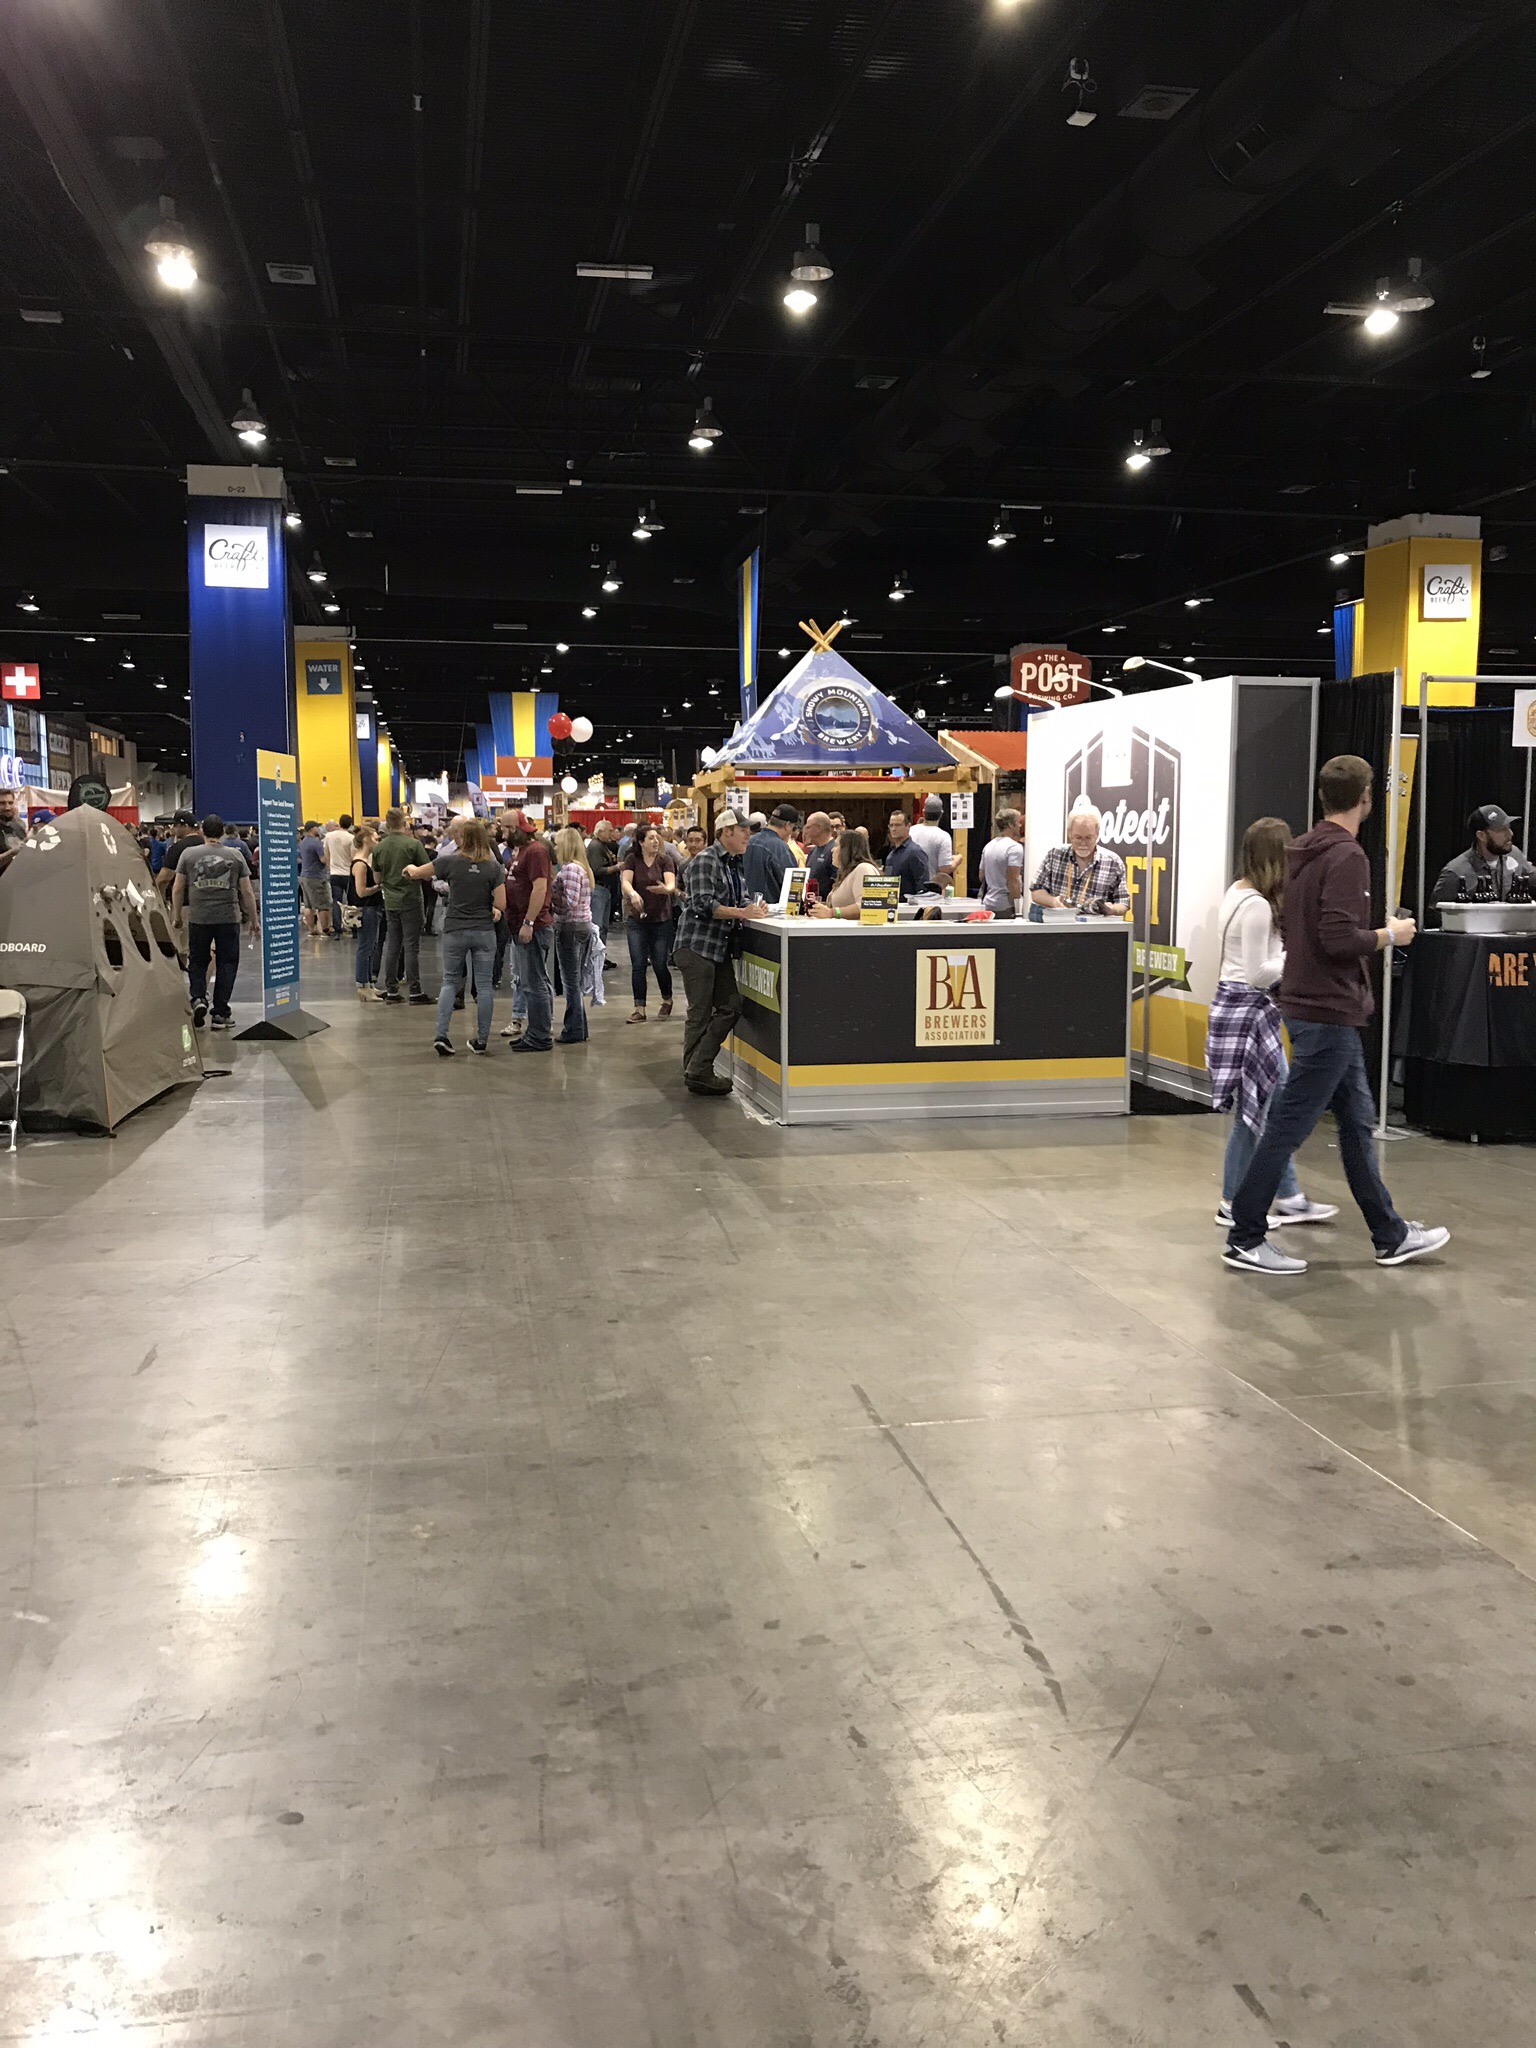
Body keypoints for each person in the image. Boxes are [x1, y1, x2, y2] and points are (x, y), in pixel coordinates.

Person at [1224, 754, 1449, 1275]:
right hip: (1327, 1009)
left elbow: (1303, 928)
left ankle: (1390, 1234)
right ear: (1367, 798)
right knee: (1287, 1127)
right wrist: (1390, 934)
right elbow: (1338, 939)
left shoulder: (1302, 851)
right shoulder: (1347, 856)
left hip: (1316, 1007)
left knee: (1355, 1123)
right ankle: (1245, 1236)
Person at [1207, 818, 1338, 1229]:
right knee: (1256, 1111)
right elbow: (1256, 973)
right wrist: (1294, 957)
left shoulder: (1238, 892)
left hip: (1244, 1012)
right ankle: (1232, 1201)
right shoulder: (1258, 907)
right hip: (1248, 1013)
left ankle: (1288, 1196)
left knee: (1271, 1107)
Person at [672, 812, 769, 1094]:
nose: (748, 835)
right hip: (697, 947)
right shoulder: (706, 860)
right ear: (726, 832)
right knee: (701, 1013)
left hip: (717, 949)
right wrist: (741, 912)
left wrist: (755, 907)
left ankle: (696, 1068)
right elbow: (702, 904)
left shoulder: (733, 863)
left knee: (730, 1007)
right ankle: (697, 1072)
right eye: (743, 830)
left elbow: (742, 898)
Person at [404, 818, 505, 1055]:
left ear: (462, 838)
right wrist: (492, 908)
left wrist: (408, 869)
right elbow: (501, 903)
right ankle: (481, 1040)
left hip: (455, 929)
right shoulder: (493, 867)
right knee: (484, 986)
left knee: (450, 981)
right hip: (483, 931)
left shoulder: (449, 862)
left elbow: (417, 873)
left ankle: (442, 1035)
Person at [168, 813, 259, 1029]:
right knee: (227, 962)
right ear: (222, 832)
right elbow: (246, 891)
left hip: (199, 917)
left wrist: (177, 916)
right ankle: (220, 1013)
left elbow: (178, 887)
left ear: (202, 831)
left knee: (197, 960)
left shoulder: (188, 854)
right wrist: (254, 920)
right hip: (228, 918)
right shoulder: (235, 855)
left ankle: (198, 998)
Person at [502, 810, 554, 1053]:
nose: (503, 833)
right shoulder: (520, 851)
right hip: (520, 924)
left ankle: (540, 1035)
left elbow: (540, 888)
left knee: (534, 983)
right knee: (530, 982)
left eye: (506, 828)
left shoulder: (535, 852)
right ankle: (535, 1031)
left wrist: (529, 922)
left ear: (516, 828)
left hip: (533, 926)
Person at [621, 822, 679, 1021]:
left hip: (661, 919)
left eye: (657, 838)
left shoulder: (665, 860)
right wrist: (633, 894)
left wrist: (666, 889)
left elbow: (670, 883)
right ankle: (640, 1009)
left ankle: (667, 999)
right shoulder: (632, 859)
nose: (655, 841)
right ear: (641, 842)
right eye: (651, 838)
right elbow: (625, 881)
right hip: (637, 919)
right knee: (638, 964)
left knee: (660, 963)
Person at [374, 807, 430, 1004]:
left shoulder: (379, 847)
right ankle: (415, 990)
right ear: (404, 823)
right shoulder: (413, 844)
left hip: (390, 901)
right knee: (411, 946)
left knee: (393, 945)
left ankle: (391, 989)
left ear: (387, 824)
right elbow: (426, 872)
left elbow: (377, 878)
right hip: (411, 899)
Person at [1030, 805, 1129, 916]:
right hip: (1059, 923)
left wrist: (1112, 909)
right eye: (1078, 838)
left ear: (1097, 834)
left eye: (1088, 838)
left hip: (1094, 925)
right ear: (1069, 834)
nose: (1083, 843)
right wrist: (1053, 901)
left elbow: (1123, 903)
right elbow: (1036, 891)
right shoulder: (1055, 855)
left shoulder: (1113, 862)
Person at [1431, 803, 1536, 905]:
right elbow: (1436, 913)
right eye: (1501, 830)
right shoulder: (1456, 872)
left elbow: (1533, 880)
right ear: (1481, 836)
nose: (1510, 834)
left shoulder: (1515, 854)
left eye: (1509, 827)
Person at [550, 826, 594, 1044]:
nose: (555, 848)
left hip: (571, 927)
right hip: (581, 925)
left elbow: (570, 902)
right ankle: (579, 1027)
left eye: (557, 844)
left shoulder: (570, 870)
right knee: (574, 980)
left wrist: (550, 899)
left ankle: (573, 1029)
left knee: (570, 982)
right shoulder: (581, 868)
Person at [809, 828, 881, 919]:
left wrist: (832, 912)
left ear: (847, 849)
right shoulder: (847, 873)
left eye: (836, 846)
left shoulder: (863, 869)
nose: (832, 850)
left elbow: (867, 906)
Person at [349, 823, 384, 1002]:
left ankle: (368, 983)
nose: (378, 842)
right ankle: (362, 984)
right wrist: (379, 887)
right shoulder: (360, 864)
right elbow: (361, 891)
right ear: (366, 840)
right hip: (366, 909)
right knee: (365, 948)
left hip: (372, 908)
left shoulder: (364, 861)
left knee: (371, 947)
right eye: (375, 839)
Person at [742, 803, 801, 906]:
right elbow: (793, 886)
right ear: (787, 825)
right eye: (792, 828)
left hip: (745, 908)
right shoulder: (780, 848)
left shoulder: (746, 842)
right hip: (770, 910)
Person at [979, 807, 1026, 918]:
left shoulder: (988, 846)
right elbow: (1013, 881)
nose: (1020, 825)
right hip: (1006, 906)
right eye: (1018, 822)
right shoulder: (1014, 848)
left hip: (988, 903)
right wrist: (1017, 908)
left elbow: (981, 876)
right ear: (1010, 825)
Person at [909, 796, 956, 891]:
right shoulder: (943, 836)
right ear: (941, 814)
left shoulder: (911, 831)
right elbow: (944, 869)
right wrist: (957, 860)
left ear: (923, 812)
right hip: (930, 889)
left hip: (910, 886)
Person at [883, 808, 931, 899]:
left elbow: (923, 886)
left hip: (910, 905)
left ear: (908, 826)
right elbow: (888, 884)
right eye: (891, 825)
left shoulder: (915, 852)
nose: (893, 829)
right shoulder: (890, 856)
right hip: (893, 904)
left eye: (898, 825)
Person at [297, 822, 333, 936]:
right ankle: (326, 929)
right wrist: (328, 853)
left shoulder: (302, 843)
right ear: (313, 829)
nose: (319, 829)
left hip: (304, 875)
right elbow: (323, 860)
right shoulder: (316, 843)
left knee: (308, 905)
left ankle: (312, 929)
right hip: (316, 877)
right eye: (317, 827)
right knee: (323, 905)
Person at [587, 819, 620, 935]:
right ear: (600, 832)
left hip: (605, 889)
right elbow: (597, 870)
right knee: (598, 926)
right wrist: (616, 867)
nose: (612, 833)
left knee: (604, 926)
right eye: (609, 831)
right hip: (598, 889)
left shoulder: (603, 845)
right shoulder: (596, 847)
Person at [324, 815, 354, 939]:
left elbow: (326, 854)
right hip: (348, 873)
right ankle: (353, 928)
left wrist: (329, 867)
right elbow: (353, 856)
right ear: (350, 824)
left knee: (336, 901)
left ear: (339, 823)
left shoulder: (328, 836)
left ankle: (337, 930)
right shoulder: (351, 838)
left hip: (335, 873)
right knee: (351, 902)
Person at [802, 812, 837, 903]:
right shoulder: (813, 850)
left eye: (808, 827)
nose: (806, 831)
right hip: (810, 903)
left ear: (818, 828)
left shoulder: (834, 850)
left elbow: (836, 882)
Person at [0, 789, 28, 879]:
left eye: (10, 803)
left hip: (21, 880)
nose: (7, 807)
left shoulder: (19, 824)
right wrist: (13, 852)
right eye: (2, 803)